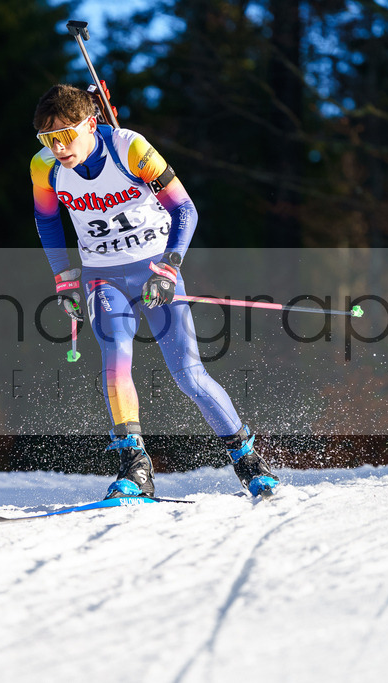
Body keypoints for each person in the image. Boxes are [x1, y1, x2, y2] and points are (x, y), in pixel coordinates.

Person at [30, 83, 278, 499]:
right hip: (102, 277)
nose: (58, 147)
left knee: (189, 375)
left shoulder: (130, 148)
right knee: (116, 360)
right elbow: (47, 221)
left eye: (67, 134)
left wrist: (169, 266)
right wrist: (63, 278)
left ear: (92, 124)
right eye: (48, 138)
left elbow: (184, 208)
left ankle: (248, 460)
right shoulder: (44, 166)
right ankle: (135, 466)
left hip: (154, 271)